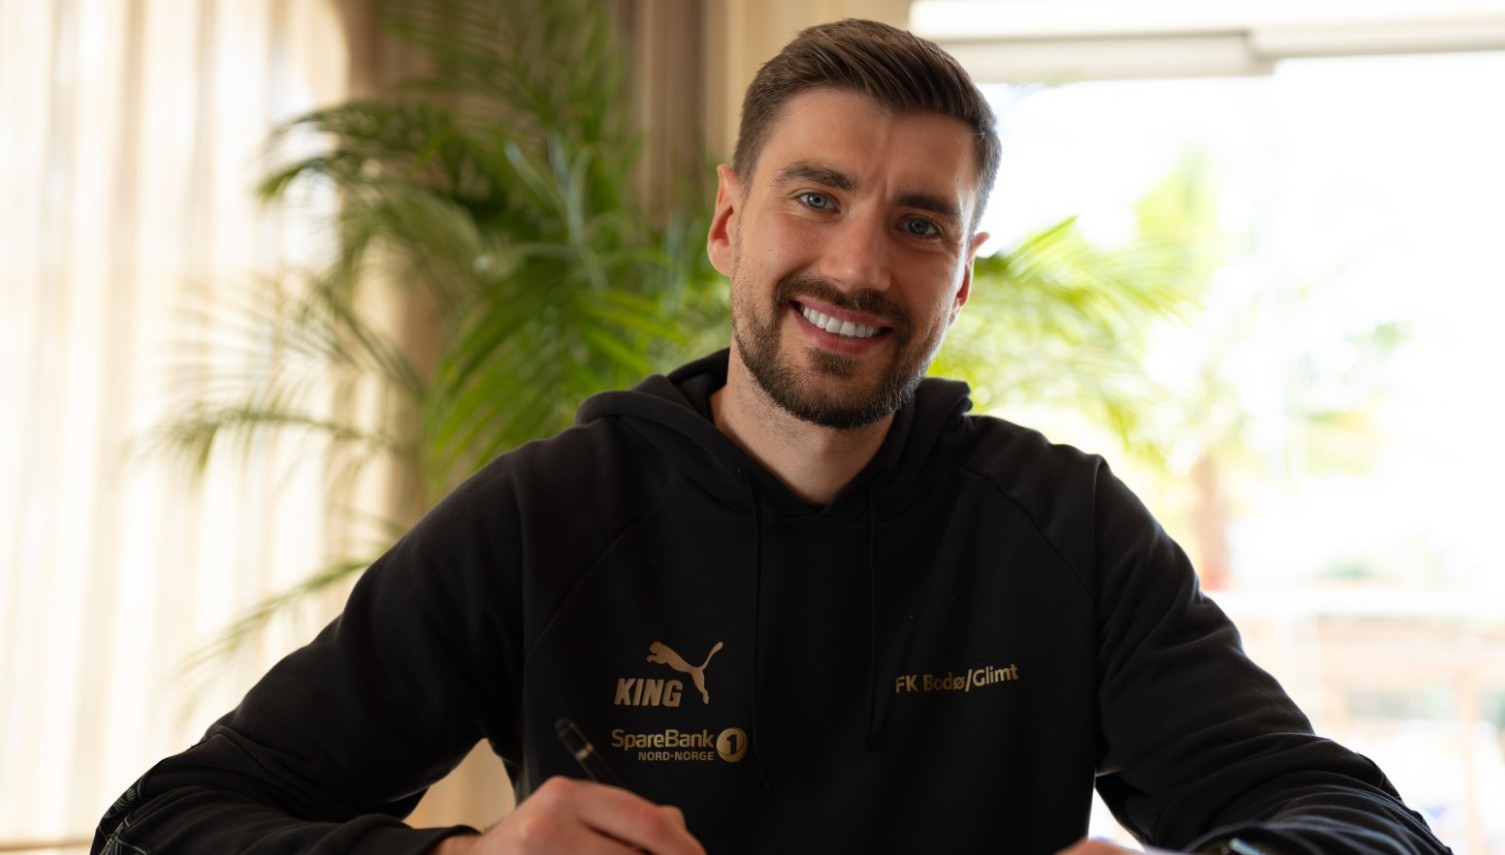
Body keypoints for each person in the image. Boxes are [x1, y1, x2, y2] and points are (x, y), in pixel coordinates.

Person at [93, 18, 1450, 855]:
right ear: (729, 221)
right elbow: (160, 829)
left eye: (917, 224)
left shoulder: (1066, 529)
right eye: (816, 197)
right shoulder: (544, 518)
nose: (857, 265)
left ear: (960, 281)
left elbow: (1364, 826)